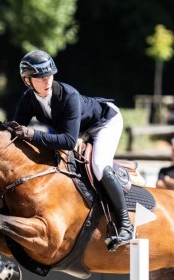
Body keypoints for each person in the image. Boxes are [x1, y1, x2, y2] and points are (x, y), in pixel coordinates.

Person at [12, 50, 135, 251]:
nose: (47, 80)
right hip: (80, 129)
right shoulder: (28, 100)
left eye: (49, 75)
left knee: (98, 165)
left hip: (105, 123)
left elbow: (68, 141)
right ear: (27, 81)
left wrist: (33, 134)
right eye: (40, 77)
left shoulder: (69, 95)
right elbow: (16, 129)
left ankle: (125, 225)